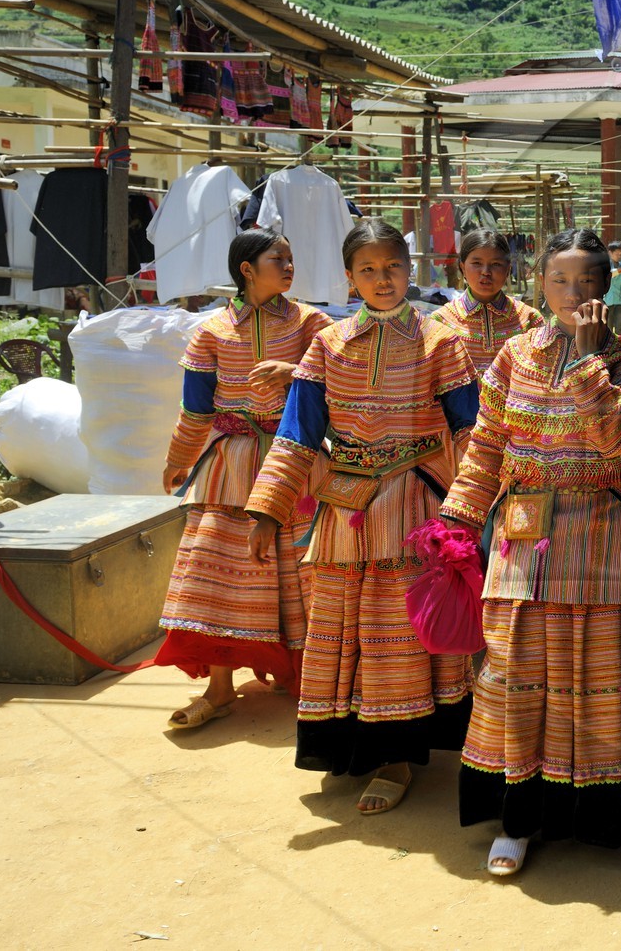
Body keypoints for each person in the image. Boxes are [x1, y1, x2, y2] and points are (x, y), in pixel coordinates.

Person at [441, 227, 621, 877]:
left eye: (587, 283)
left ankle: (598, 808)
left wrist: (587, 357)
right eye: (559, 281)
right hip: (522, 524)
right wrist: (456, 519)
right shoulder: (512, 355)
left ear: (606, 287)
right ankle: (517, 817)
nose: (573, 294)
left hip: (602, 528)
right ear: (539, 285)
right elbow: (488, 444)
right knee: (517, 666)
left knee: (597, 665)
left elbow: (612, 442)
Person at [245, 218, 481, 815]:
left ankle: (397, 755)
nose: (383, 279)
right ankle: (355, 740)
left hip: (413, 502)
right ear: (349, 277)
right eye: (368, 270)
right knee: (342, 627)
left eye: (394, 267)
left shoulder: (440, 343)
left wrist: (480, 510)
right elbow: (298, 435)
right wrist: (266, 512)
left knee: (397, 629)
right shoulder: (326, 346)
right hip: (343, 507)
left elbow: (472, 432)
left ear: (412, 269)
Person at [157, 228, 332, 730]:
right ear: (247, 269)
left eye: (291, 256)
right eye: (279, 257)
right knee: (223, 574)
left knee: (304, 572)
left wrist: (296, 370)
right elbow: (196, 407)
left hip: (296, 457)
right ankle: (219, 689)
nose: (290, 265)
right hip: (230, 465)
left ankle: (306, 678)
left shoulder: (310, 322)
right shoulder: (211, 330)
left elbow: (345, 374)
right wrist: (180, 458)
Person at [431, 228, 545, 376]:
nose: (486, 271)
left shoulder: (530, 320)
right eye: (477, 263)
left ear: (508, 270)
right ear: (462, 268)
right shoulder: (440, 321)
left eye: (496, 264)